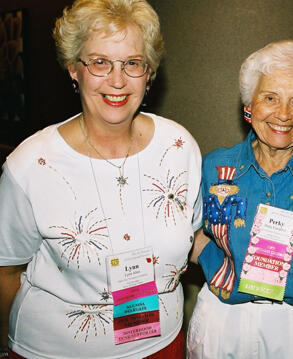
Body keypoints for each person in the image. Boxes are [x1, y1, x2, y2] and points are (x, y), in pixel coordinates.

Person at [0, 0, 202, 358]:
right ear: (73, 69)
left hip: (161, 346)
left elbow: (194, 237)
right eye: (99, 62)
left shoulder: (179, 146)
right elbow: (6, 270)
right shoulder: (30, 165)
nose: (118, 80)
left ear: (149, 72)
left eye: (132, 63)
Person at [187, 40, 293, 358]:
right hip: (222, 320)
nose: (283, 114)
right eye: (270, 98)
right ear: (249, 105)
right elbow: (186, 236)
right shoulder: (213, 167)